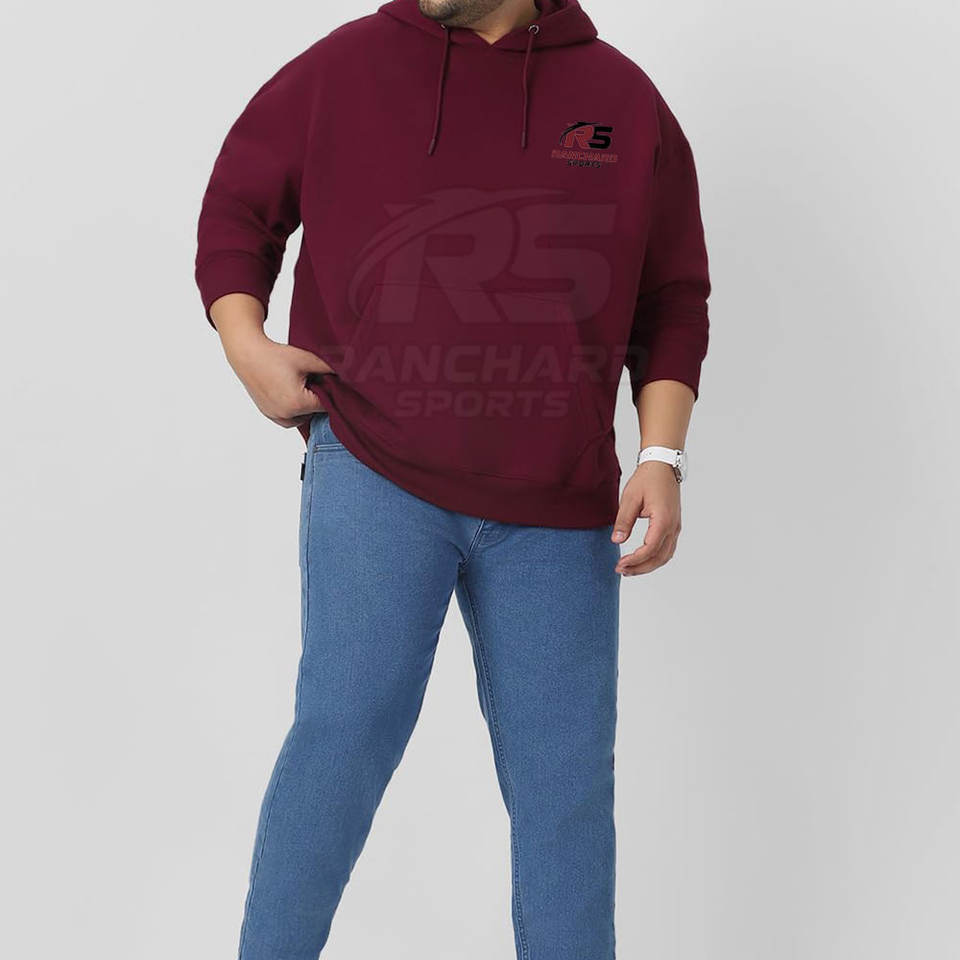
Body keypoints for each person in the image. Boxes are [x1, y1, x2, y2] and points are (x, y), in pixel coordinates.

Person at [194, 0, 710, 956]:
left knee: (565, 794)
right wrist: (245, 344)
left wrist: (660, 454)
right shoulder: (345, 68)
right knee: (343, 741)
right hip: (375, 467)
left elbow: (672, 294)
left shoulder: (623, 100)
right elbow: (237, 203)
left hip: (558, 504)